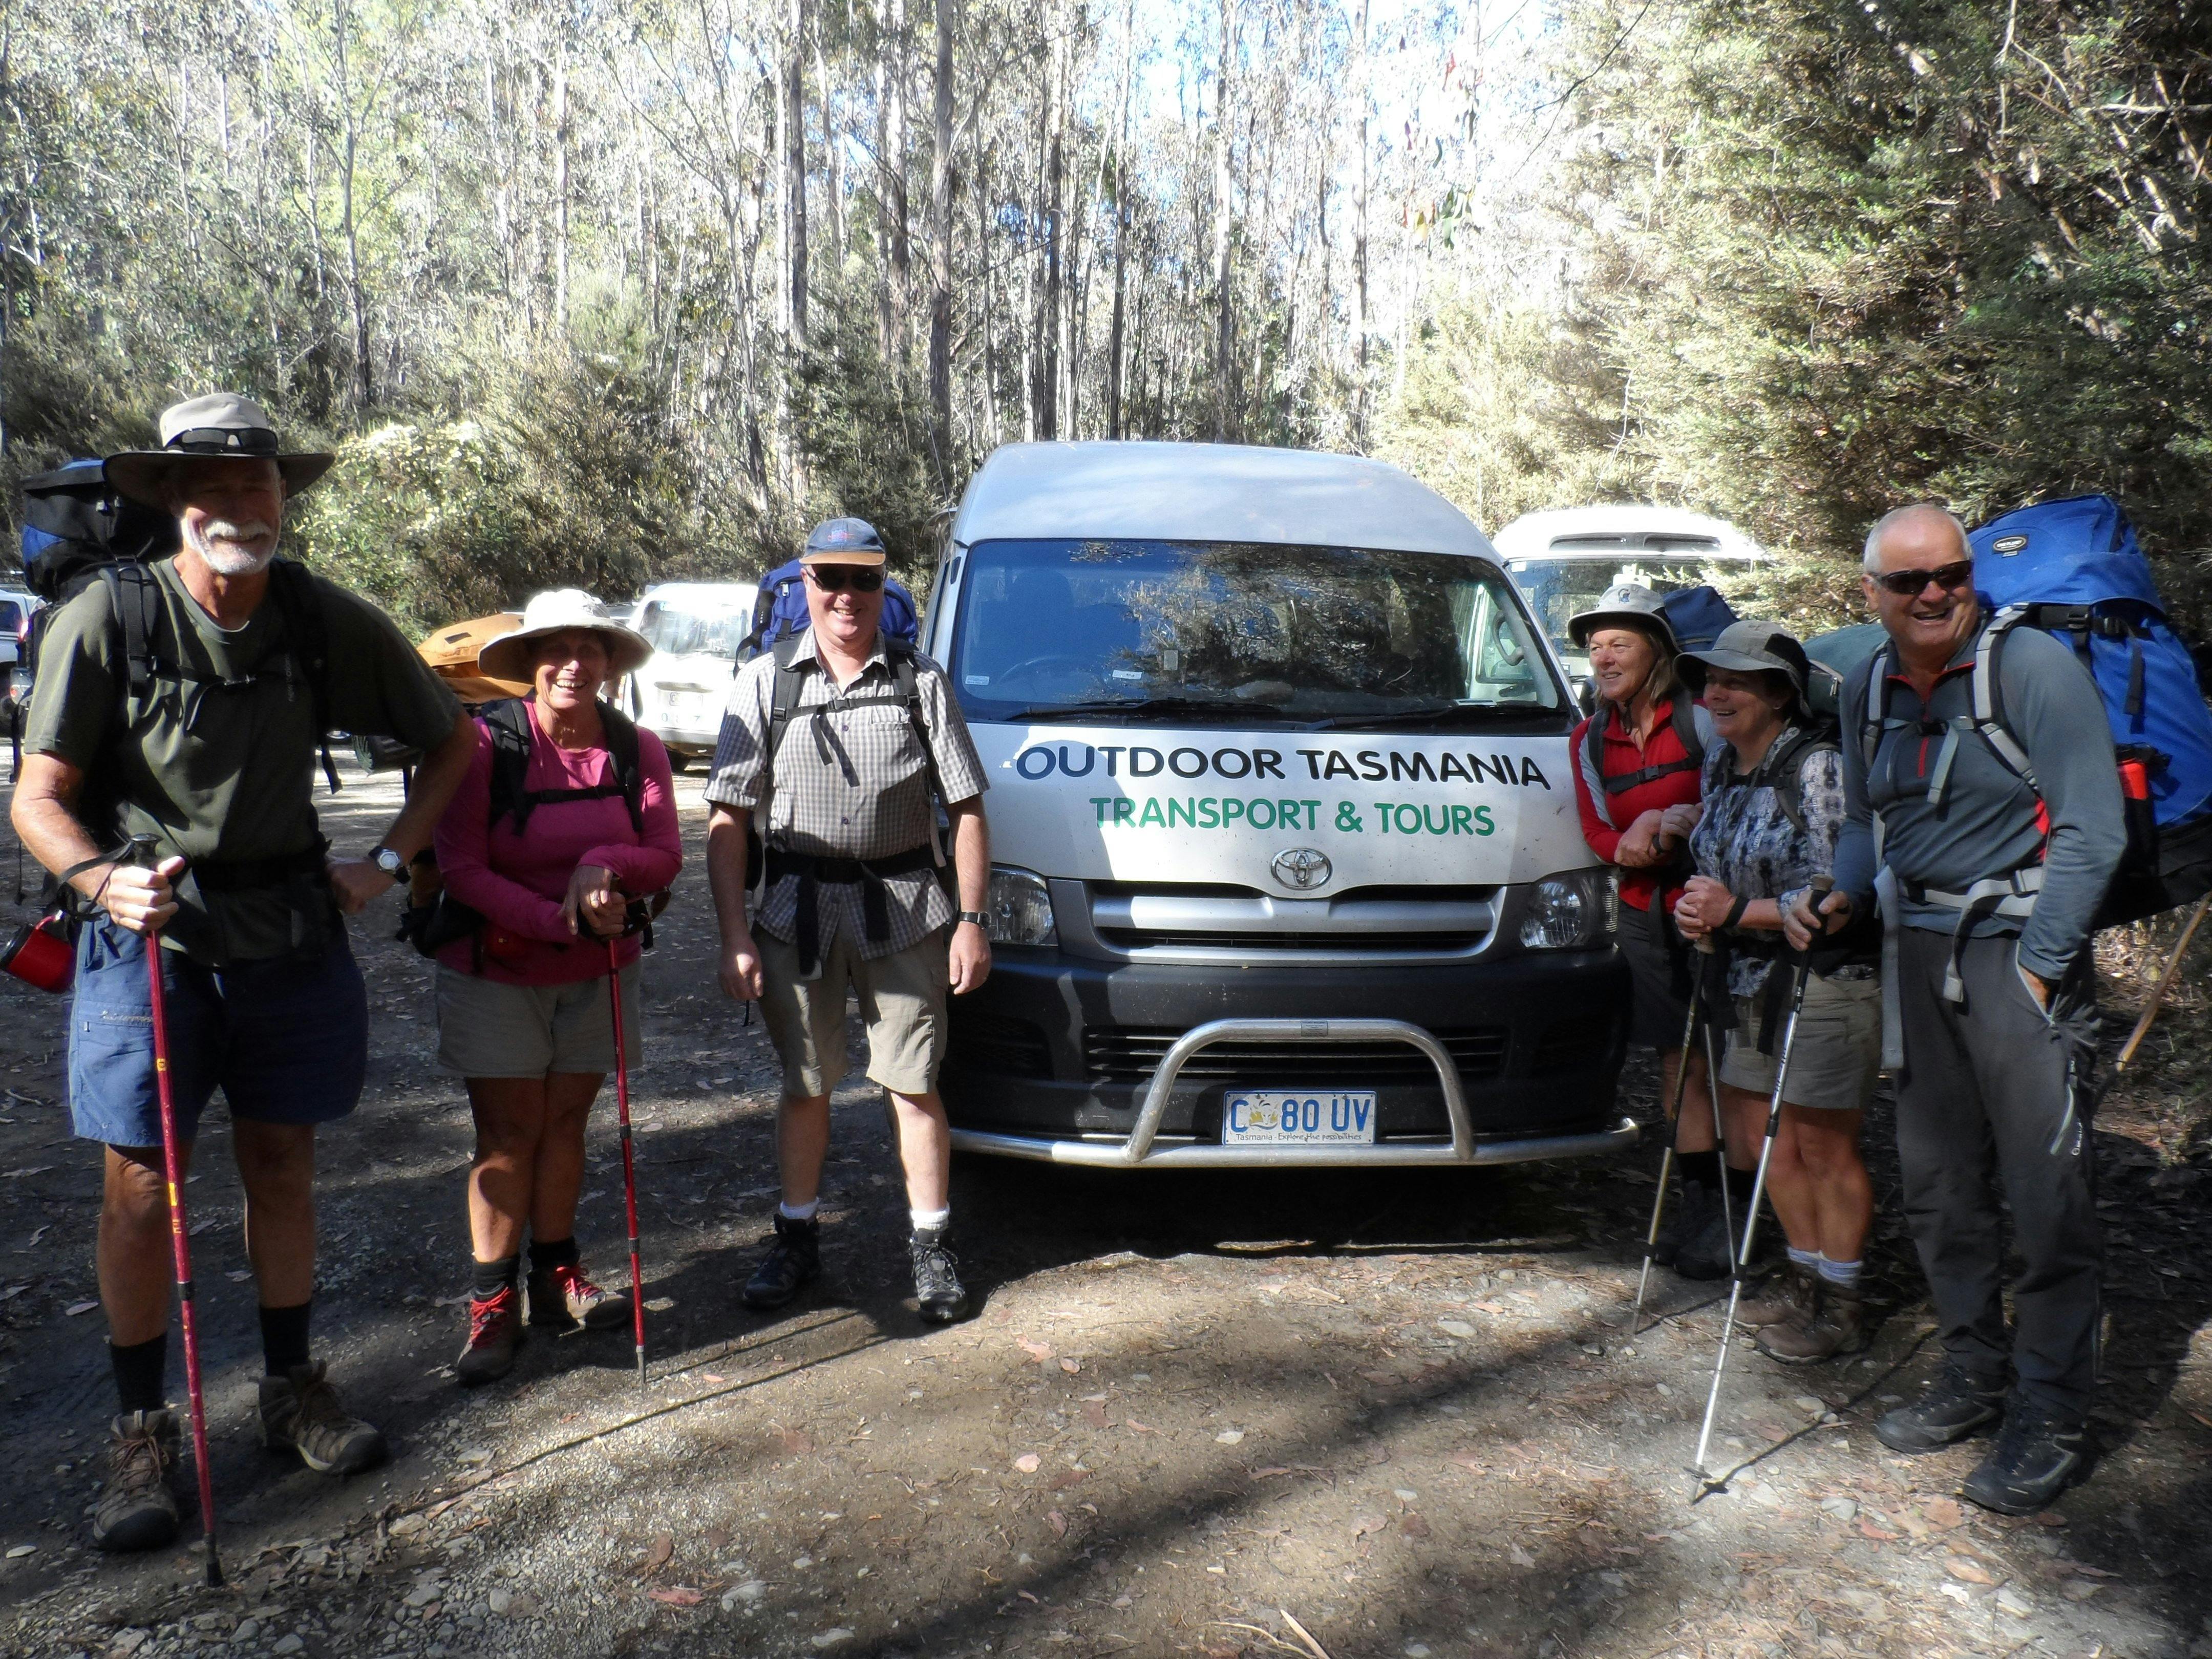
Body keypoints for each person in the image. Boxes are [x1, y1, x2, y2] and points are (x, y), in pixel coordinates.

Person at [9, 393, 478, 1552]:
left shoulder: (321, 618)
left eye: (257, 486)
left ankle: (291, 1390)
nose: (237, 506)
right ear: (174, 500)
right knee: (138, 1184)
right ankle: (140, 1432)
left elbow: (455, 738)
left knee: (282, 1161)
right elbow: (40, 797)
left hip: (293, 931)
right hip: (148, 937)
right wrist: (97, 881)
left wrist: (384, 862)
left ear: (282, 500)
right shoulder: (107, 618)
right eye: (210, 487)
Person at [1792, 503, 2124, 1514]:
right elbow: (1865, 818)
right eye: (1909, 583)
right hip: (1920, 949)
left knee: (2045, 1197)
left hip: (2021, 956)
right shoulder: (1869, 693)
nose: (1935, 594)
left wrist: (2039, 966)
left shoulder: (2031, 670)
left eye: (1950, 573)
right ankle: (1974, 1375)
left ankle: (2053, 1411)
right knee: (1939, 1184)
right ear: (1873, 597)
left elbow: (2094, 830)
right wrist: (1841, 890)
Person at [703, 517, 992, 1323]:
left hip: (907, 911)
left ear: (884, 586)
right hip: (795, 911)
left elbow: (966, 807)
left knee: (914, 1083)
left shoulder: (919, 680)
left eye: (864, 580)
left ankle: (931, 1247)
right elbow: (727, 818)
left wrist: (971, 919)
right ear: (804, 583)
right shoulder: (766, 682)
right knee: (806, 1084)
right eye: (830, 577)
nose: (846, 596)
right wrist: (733, 935)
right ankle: (795, 1237)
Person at [431, 590, 682, 1385]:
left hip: (598, 972)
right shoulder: (481, 749)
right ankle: (491, 1304)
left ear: (610, 664)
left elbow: (665, 853)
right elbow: (460, 867)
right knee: (508, 1137)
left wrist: (602, 865)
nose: (574, 663)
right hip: (498, 970)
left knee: (568, 1123)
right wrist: (553, 918)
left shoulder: (637, 748)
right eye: (557, 648)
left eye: (591, 649)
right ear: (529, 662)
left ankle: (557, 1277)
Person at [1671, 622, 1880, 1363]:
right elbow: (1719, 870)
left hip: (1826, 981)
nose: (1715, 694)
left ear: (1781, 696)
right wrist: (1700, 908)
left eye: (1735, 682)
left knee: (1822, 1144)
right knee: (1771, 1143)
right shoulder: (1723, 767)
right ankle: (1804, 1280)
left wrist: (1736, 913)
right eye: (1709, 681)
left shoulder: (1819, 768)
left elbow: (1836, 891)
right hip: (1747, 978)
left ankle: (1844, 1300)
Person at [1567, 583, 1743, 1278]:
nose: (1604, 658)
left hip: (1717, 909)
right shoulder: (1589, 738)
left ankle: (1742, 1207)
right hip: (1646, 912)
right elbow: (1592, 829)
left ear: (1658, 651)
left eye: (1620, 643)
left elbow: (1736, 795)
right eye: (1595, 646)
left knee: (1733, 1059)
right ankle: (1703, 1207)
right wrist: (1627, 845)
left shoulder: (1701, 720)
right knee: (1679, 1060)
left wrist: (1685, 819)